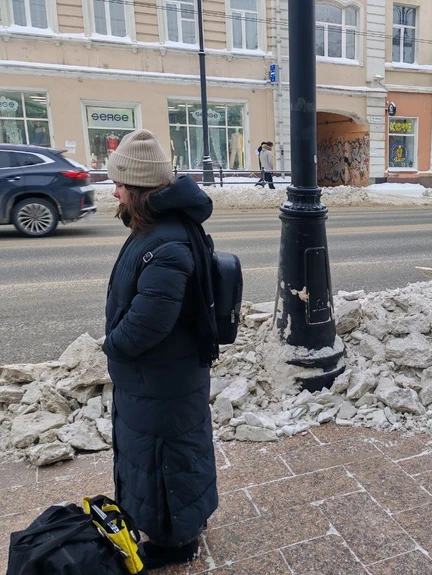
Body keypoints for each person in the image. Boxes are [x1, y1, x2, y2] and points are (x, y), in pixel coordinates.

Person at [103, 129, 218, 570]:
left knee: (164, 459)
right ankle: (184, 523)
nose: (114, 191)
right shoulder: (161, 228)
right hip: (164, 374)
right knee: (170, 453)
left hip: (161, 377)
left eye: (119, 183)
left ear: (138, 188)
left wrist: (113, 345)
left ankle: (176, 543)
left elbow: (148, 323)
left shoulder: (166, 243)